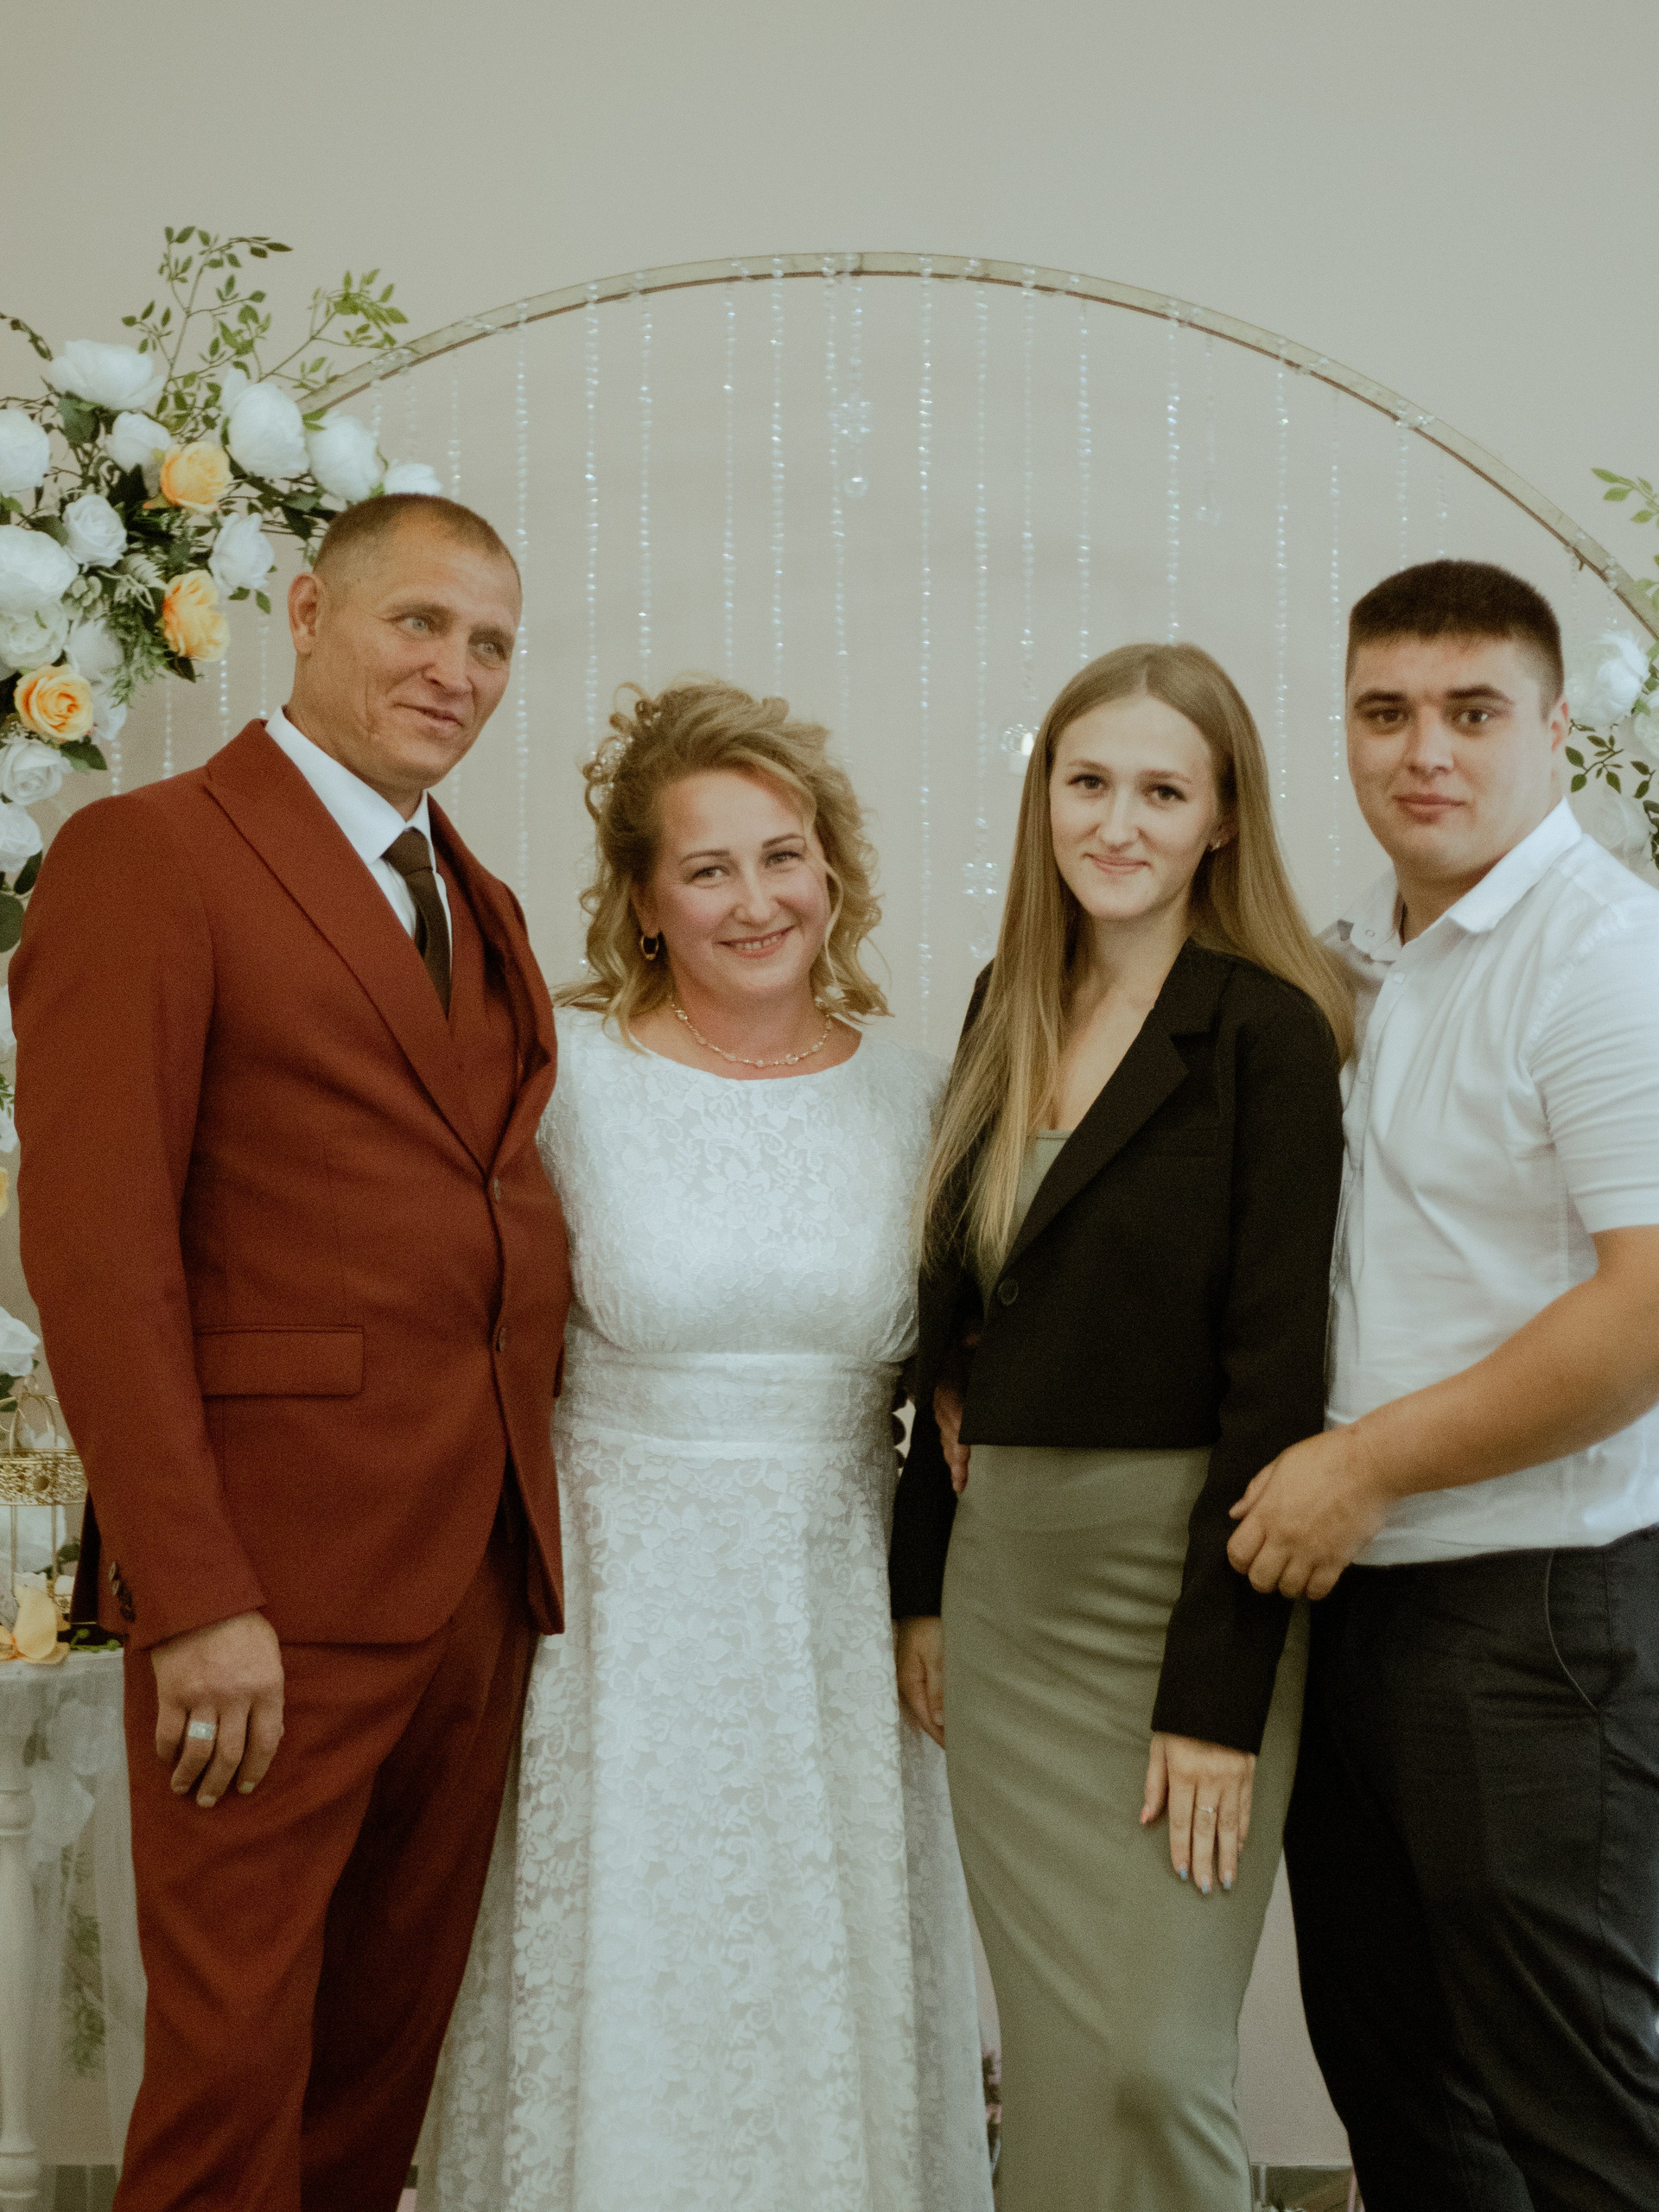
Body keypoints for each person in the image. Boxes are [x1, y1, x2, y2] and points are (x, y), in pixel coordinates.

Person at [10, 493, 571, 2212]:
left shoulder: (479, 895)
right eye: (421, 623)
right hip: (263, 1585)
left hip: (476, 1571)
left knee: (373, 2074)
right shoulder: (151, 855)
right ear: (310, 612)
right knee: (232, 2078)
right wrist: (190, 1594)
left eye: (492, 644)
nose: (458, 670)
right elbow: (96, 1254)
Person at [426, 681, 993, 2212]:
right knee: (640, 1974)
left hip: (835, 1616)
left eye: (784, 856)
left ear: (833, 870)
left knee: (817, 1976)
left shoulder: (923, 1095)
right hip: (621, 1627)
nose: (758, 901)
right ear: (642, 901)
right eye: (708, 868)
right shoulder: (564, 1082)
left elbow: (967, 1353)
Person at [891, 642, 1349, 2210]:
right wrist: (923, 1585)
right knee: (1064, 2059)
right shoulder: (1004, 1005)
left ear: (1223, 818)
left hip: (1186, 1589)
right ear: (1045, 800)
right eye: (1088, 783)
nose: (1118, 822)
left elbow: (1277, 1381)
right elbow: (954, 1326)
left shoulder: (1271, 1031)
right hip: (1008, 1596)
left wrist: (1217, 1700)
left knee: (1153, 2060)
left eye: (1163, 790)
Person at [1231, 560, 1659, 2210]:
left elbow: (1644, 1311)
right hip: (1361, 1604)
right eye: (1387, 712)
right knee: (1406, 2106)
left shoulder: (1601, 955)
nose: (1426, 751)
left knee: (1579, 2117)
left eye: (1473, 712)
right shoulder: (1365, 959)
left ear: (1555, 729)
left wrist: (1366, 1466)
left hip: (1533, 1611)